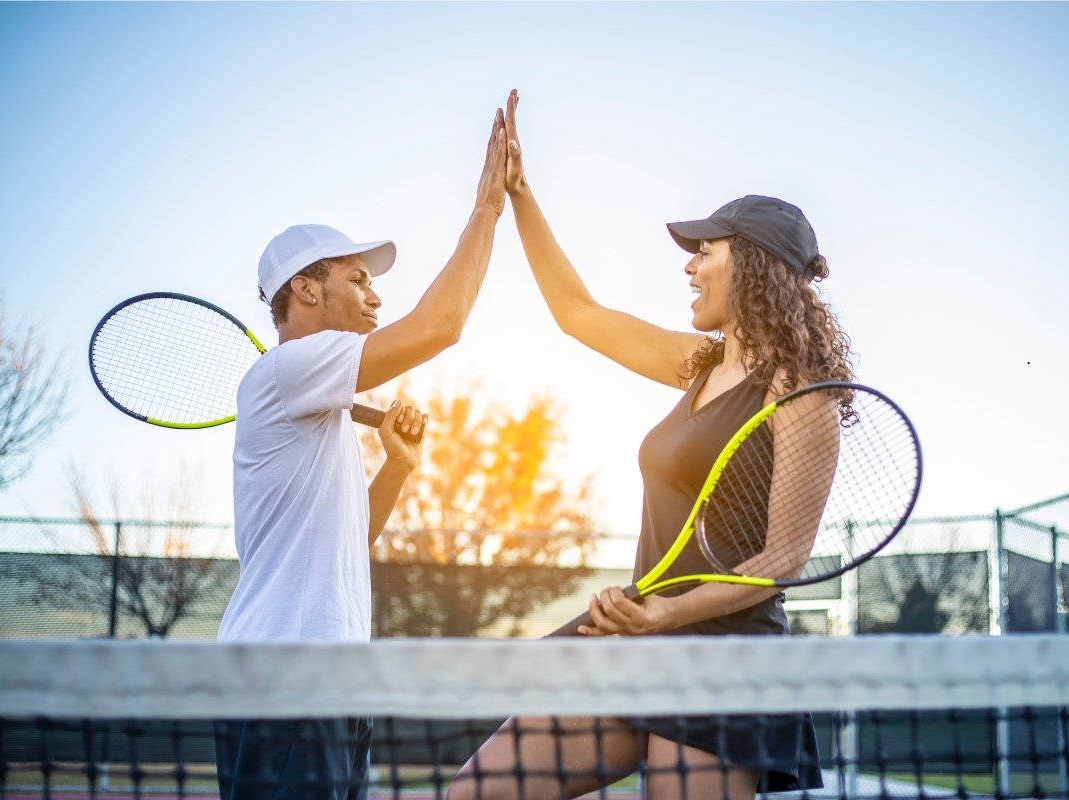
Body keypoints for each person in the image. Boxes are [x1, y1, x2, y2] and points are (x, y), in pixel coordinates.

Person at [448, 91, 849, 799]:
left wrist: (665, 612)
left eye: (706, 252)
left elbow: (781, 561)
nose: (690, 266)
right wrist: (520, 195)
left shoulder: (801, 391)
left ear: (751, 265)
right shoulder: (698, 364)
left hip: (722, 666)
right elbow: (579, 314)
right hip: (639, 641)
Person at [214, 108, 509, 800]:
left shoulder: (319, 411)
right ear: (307, 290)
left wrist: (398, 464)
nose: (375, 294)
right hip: (283, 678)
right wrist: (487, 210)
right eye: (357, 278)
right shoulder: (290, 370)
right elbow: (443, 325)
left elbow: (347, 542)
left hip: (333, 680)